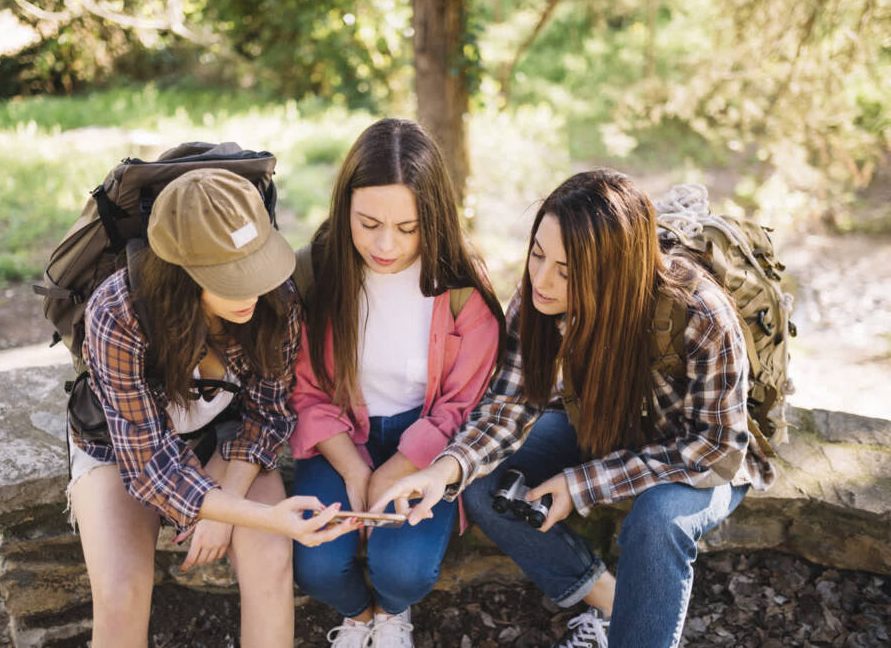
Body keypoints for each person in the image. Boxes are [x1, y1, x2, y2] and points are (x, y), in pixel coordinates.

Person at [371, 169, 776, 648]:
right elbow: (509, 406)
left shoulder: (701, 313)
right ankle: (609, 599)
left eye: (566, 271)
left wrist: (580, 483)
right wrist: (444, 471)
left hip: (696, 457)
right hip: (608, 427)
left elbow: (717, 449)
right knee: (483, 483)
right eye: (538, 255)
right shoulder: (538, 294)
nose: (541, 280)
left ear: (614, 273)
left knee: (657, 520)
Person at [67, 168, 357, 648]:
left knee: (270, 559)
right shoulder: (116, 312)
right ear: (180, 270)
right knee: (121, 593)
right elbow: (149, 465)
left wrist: (227, 509)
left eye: (256, 269)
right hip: (121, 447)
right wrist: (248, 512)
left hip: (222, 435)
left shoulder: (275, 298)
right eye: (230, 279)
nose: (251, 293)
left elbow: (268, 414)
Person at [288, 118, 503, 648]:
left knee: (406, 570)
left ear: (435, 218)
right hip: (340, 435)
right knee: (316, 564)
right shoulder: (319, 274)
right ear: (344, 212)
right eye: (368, 224)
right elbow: (308, 389)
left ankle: (391, 613)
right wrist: (355, 468)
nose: (386, 245)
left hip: (425, 443)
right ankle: (358, 615)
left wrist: (397, 469)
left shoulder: (461, 292)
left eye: (408, 229)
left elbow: (459, 405)